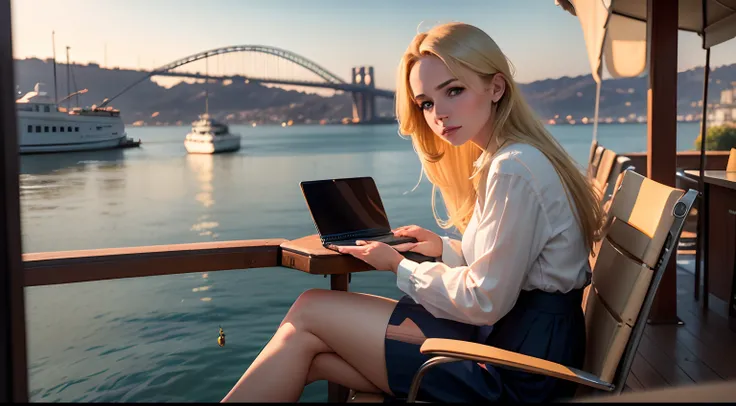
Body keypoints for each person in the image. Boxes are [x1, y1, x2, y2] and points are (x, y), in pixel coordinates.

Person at [221, 21, 604, 403]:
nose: (438, 114)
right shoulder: (512, 158)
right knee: (310, 353)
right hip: (524, 344)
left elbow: (486, 300)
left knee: (309, 310)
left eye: (453, 91)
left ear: (496, 88)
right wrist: (443, 247)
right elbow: (515, 268)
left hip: (516, 369)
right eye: (426, 103)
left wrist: (398, 266)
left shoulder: (513, 167)